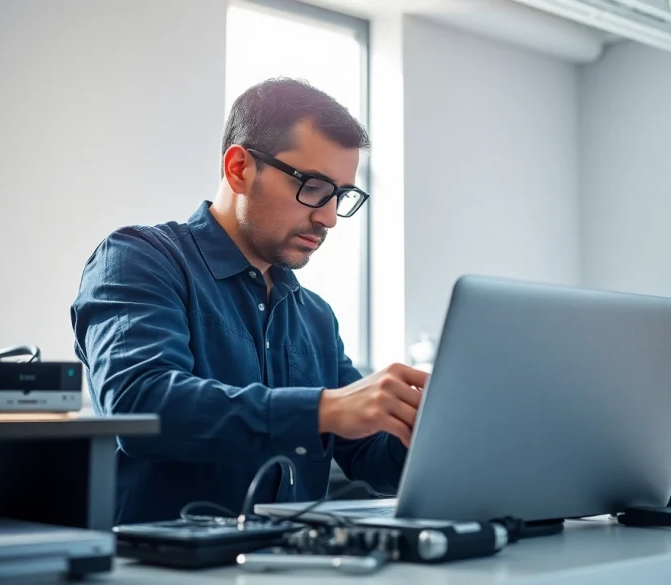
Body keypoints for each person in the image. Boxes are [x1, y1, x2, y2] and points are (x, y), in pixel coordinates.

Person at [71, 77, 428, 525]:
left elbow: (371, 460)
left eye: (341, 196)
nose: (330, 217)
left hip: (291, 565)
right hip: (166, 568)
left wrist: (429, 428)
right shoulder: (138, 259)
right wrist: (324, 408)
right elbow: (140, 404)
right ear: (239, 168)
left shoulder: (315, 316)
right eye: (314, 187)